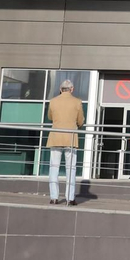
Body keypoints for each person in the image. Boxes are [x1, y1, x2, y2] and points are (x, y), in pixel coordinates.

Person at [46, 78, 85, 206]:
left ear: (60, 89)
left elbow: (50, 117)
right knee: (71, 169)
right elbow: (81, 121)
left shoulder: (53, 101)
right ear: (72, 89)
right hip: (71, 138)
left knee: (54, 168)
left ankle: (53, 197)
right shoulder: (77, 102)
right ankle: (70, 198)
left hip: (56, 137)